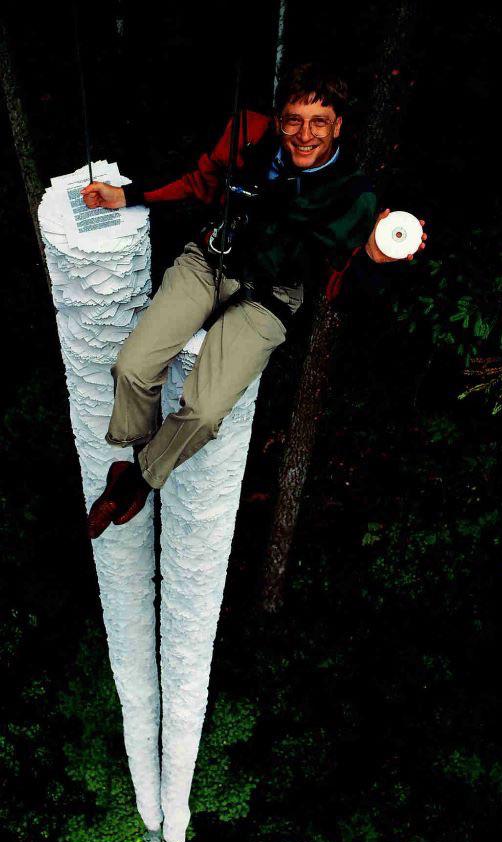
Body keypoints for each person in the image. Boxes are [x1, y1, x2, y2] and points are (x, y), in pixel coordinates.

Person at [82, 62, 428, 539]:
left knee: (204, 410)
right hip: (210, 259)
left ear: (339, 125)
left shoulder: (354, 195)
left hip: (270, 297)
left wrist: (371, 256)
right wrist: (130, 196)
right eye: (293, 119)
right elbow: (202, 182)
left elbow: (337, 291)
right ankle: (139, 445)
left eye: (320, 121)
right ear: (278, 117)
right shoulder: (248, 134)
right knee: (133, 367)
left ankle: (139, 479)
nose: (305, 134)